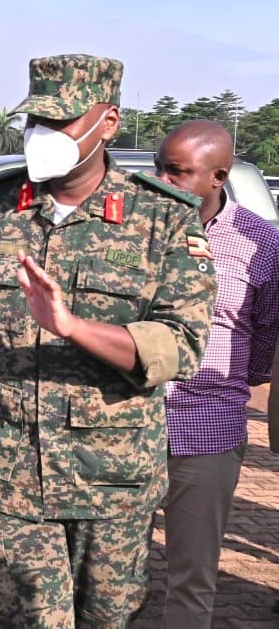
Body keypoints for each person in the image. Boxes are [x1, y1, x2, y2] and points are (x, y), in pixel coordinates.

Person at [0, 54, 216, 627]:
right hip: (6, 471)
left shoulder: (162, 219)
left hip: (112, 479)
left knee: (108, 619)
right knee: (25, 618)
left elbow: (181, 345)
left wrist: (72, 326)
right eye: (35, 123)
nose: (43, 138)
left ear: (109, 123)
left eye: (62, 123)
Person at [153, 120, 279, 628]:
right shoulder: (134, 230)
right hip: (125, 423)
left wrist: (219, 384)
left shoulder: (261, 245)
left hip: (208, 428)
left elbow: (266, 335)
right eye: (160, 166)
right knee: (112, 571)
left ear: (218, 176)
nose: (163, 180)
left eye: (178, 172)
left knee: (192, 577)